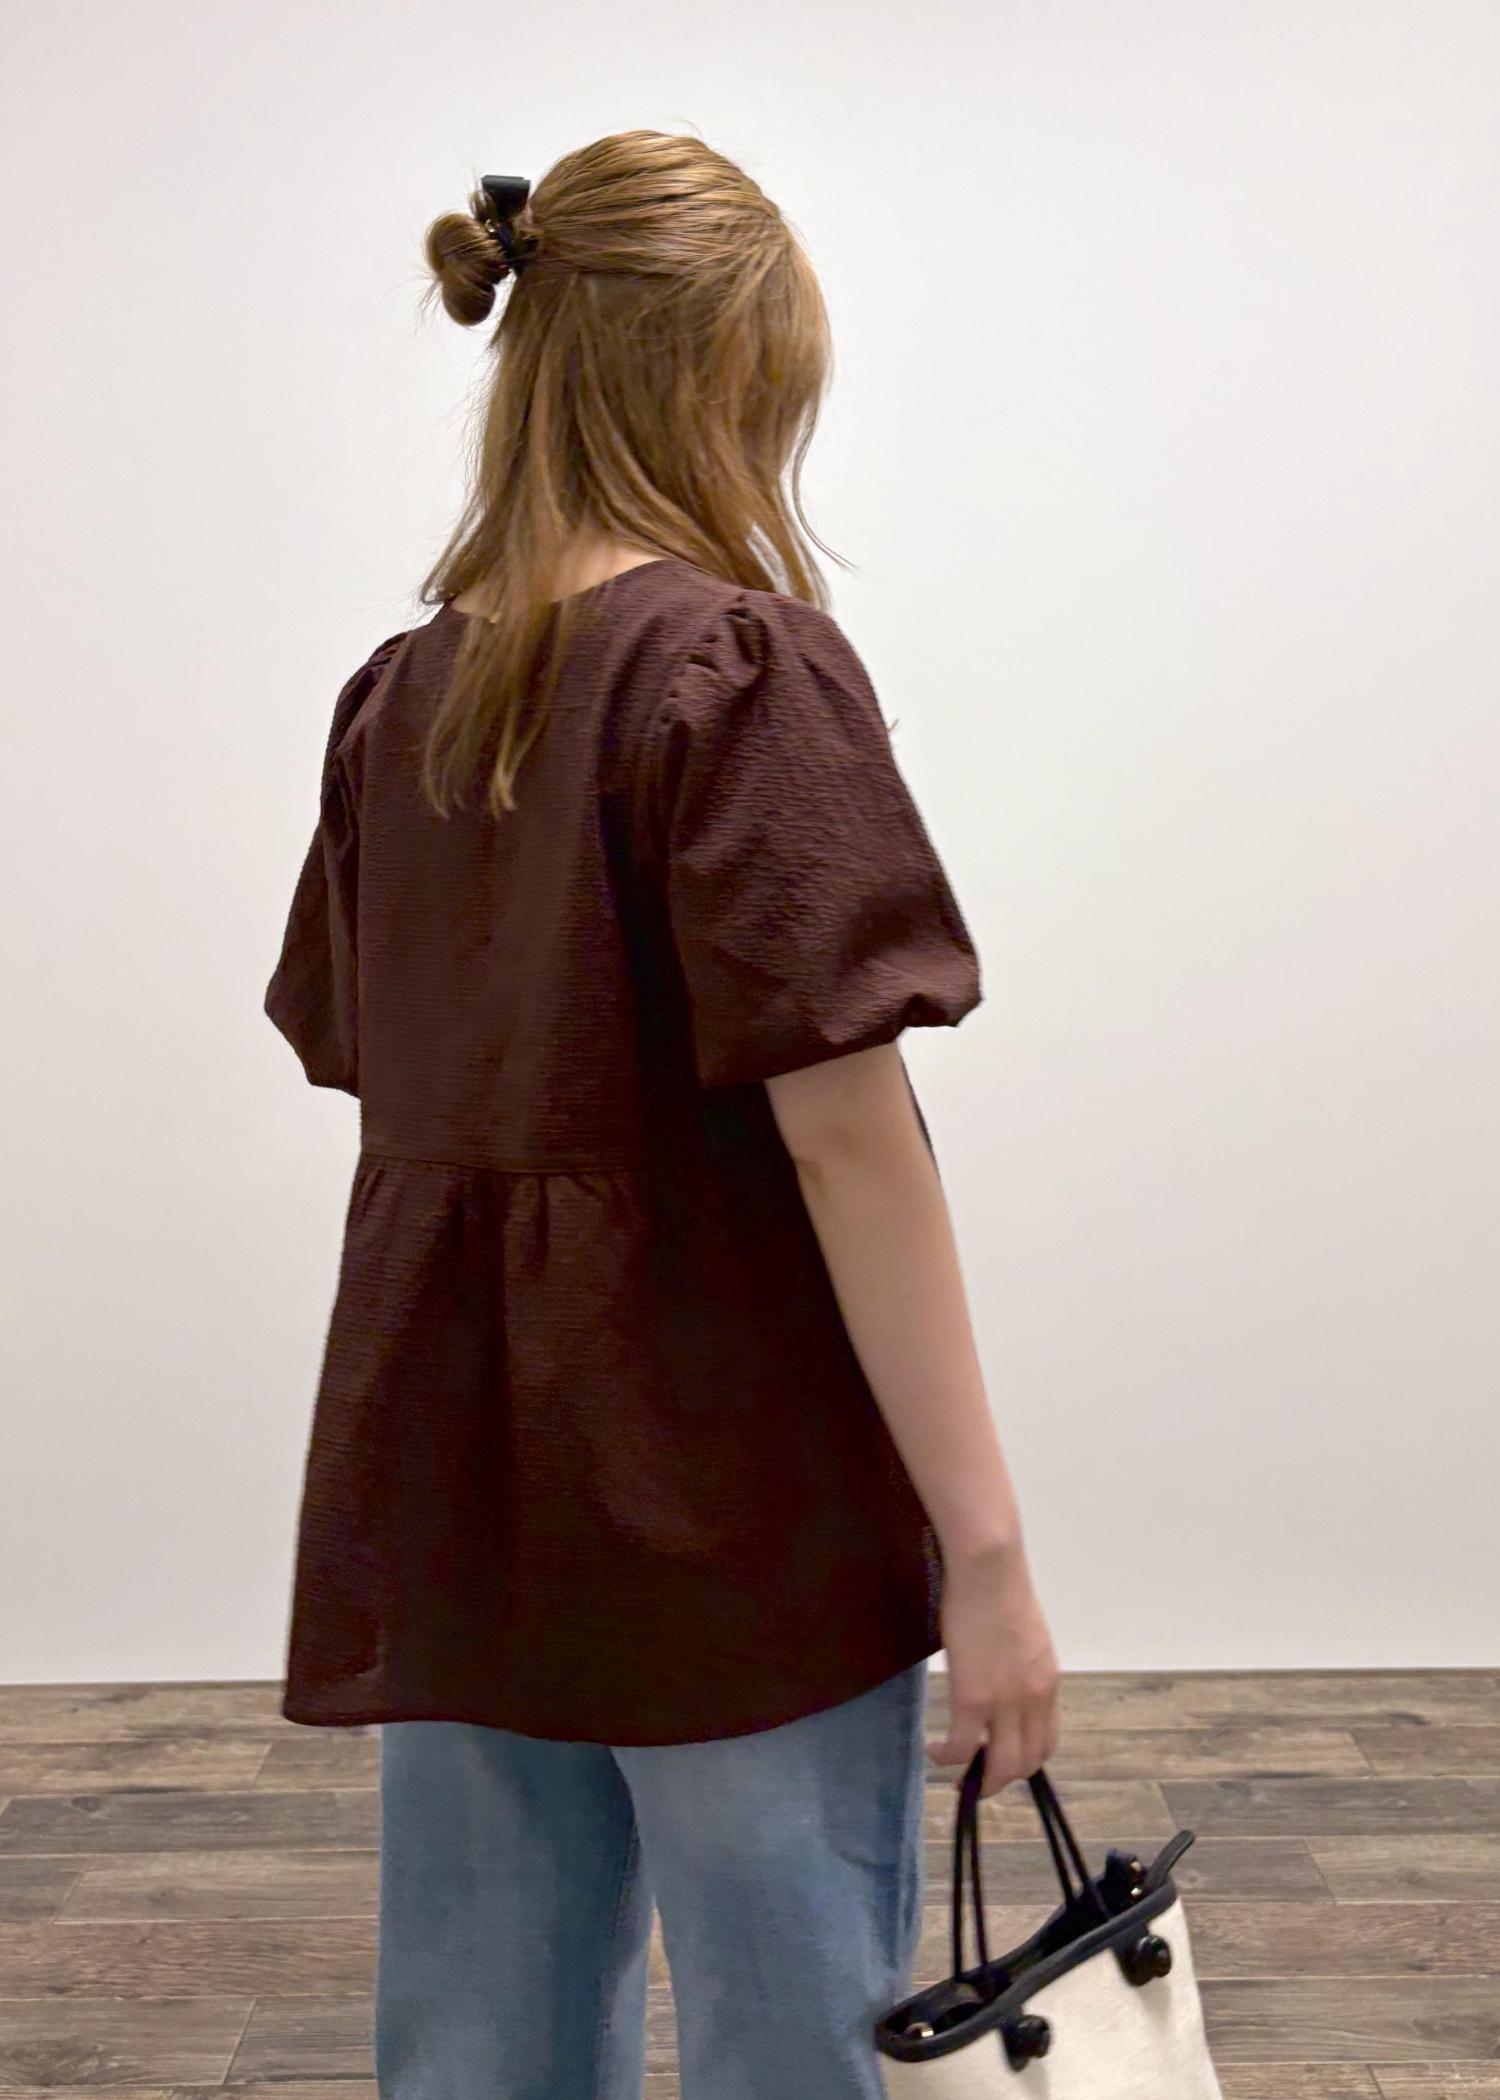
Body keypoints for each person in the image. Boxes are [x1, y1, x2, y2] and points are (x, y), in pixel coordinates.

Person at [263, 128, 1059, 2100]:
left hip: (467, 1470)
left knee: (482, 2044)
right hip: (725, 1479)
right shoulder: (735, 668)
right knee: (798, 2030)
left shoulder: (402, 697)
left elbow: (389, 1070)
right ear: (722, 377)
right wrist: (988, 1556)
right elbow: (848, 1141)